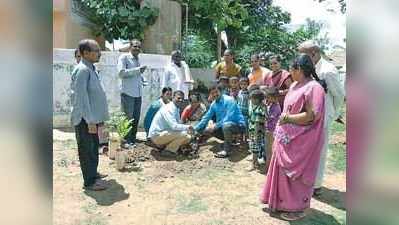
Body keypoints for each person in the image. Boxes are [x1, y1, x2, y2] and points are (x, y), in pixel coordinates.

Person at [260, 54, 326, 220]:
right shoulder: (295, 85)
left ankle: (297, 208)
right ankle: (279, 203)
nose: (289, 73)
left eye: (292, 69)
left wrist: (288, 118)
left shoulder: (314, 88)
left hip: (302, 140)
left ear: (300, 69)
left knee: (295, 175)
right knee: (281, 170)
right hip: (286, 137)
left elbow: (312, 115)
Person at [298, 40, 345, 195]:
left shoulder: (328, 70)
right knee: (307, 149)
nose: (300, 58)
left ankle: (316, 185)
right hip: (308, 115)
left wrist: (333, 114)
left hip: (324, 115)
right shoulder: (306, 69)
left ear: (313, 53)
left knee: (320, 150)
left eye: (302, 54)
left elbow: (339, 95)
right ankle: (306, 181)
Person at [70, 39, 109, 191]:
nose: (99, 53)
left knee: (93, 148)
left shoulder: (90, 68)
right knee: (87, 150)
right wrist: (90, 120)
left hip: (92, 118)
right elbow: (81, 97)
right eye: (96, 51)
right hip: (85, 119)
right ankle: (90, 182)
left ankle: (93, 174)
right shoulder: (82, 70)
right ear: (86, 53)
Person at [194, 84, 246, 158]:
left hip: (238, 126)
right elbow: (206, 118)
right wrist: (195, 129)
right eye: (212, 93)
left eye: (216, 92)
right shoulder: (213, 104)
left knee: (226, 125)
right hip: (224, 127)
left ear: (220, 91)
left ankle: (227, 150)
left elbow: (229, 117)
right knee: (206, 127)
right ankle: (232, 140)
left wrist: (215, 126)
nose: (214, 94)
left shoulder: (229, 100)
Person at [117, 39, 147, 147]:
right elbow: (121, 73)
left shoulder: (137, 59)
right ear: (130, 47)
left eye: (139, 47)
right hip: (128, 93)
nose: (137, 49)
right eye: (135, 46)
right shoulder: (124, 57)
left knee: (135, 118)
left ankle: (132, 139)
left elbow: (136, 75)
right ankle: (125, 141)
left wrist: (143, 80)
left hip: (138, 93)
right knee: (127, 118)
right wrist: (138, 70)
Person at [148, 91, 194, 157]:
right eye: (178, 98)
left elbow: (178, 124)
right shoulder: (169, 108)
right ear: (173, 97)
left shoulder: (176, 108)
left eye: (182, 99)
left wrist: (187, 128)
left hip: (164, 133)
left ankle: (166, 147)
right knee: (184, 134)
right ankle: (168, 150)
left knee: (188, 137)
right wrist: (188, 127)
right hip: (157, 135)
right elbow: (174, 126)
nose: (181, 100)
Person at [261, 86, 282, 171]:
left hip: (271, 131)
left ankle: (268, 168)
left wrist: (265, 109)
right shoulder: (273, 105)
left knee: (269, 150)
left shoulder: (276, 107)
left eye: (268, 97)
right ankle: (269, 167)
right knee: (268, 150)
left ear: (275, 97)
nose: (267, 99)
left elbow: (269, 118)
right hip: (269, 130)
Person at [247, 89, 267, 171]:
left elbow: (257, 124)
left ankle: (254, 164)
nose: (251, 100)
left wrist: (255, 135)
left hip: (256, 133)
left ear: (256, 99)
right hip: (256, 132)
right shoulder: (261, 107)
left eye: (252, 99)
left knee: (254, 149)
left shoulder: (259, 110)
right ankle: (256, 162)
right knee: (255, 148)